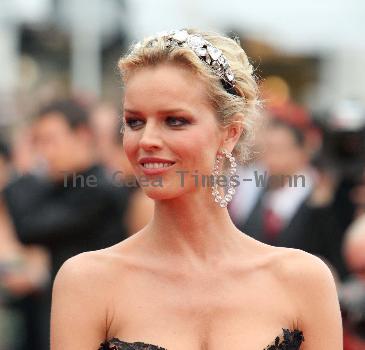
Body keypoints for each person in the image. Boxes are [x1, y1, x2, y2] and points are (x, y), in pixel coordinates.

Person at [51, 29, 342, 350]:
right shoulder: (86, 282)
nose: (146, 139)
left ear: (229, 134)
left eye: (174, 121)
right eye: (134, 122)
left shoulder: (303, 280)